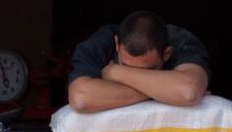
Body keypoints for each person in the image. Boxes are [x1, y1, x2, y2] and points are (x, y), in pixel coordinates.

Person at [68, 11, 210, 114]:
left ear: (167, 53)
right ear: (117, 44)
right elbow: (81, 98)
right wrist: (164, 91)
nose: (134, 76)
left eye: (148, 70)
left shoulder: (179, 40)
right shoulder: (102, 42)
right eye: (126, 66)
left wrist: (116, 72)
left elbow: (188, 91)